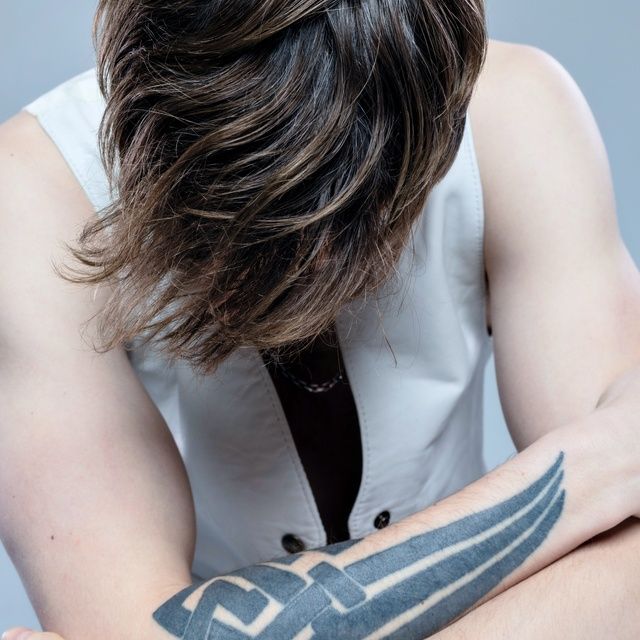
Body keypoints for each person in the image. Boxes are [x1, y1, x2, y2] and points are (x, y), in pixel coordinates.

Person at [1, 1, 640, 639]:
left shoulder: (515, 111)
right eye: (263, 226)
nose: (323, 260)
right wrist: (584, 473)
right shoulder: (28, 200)